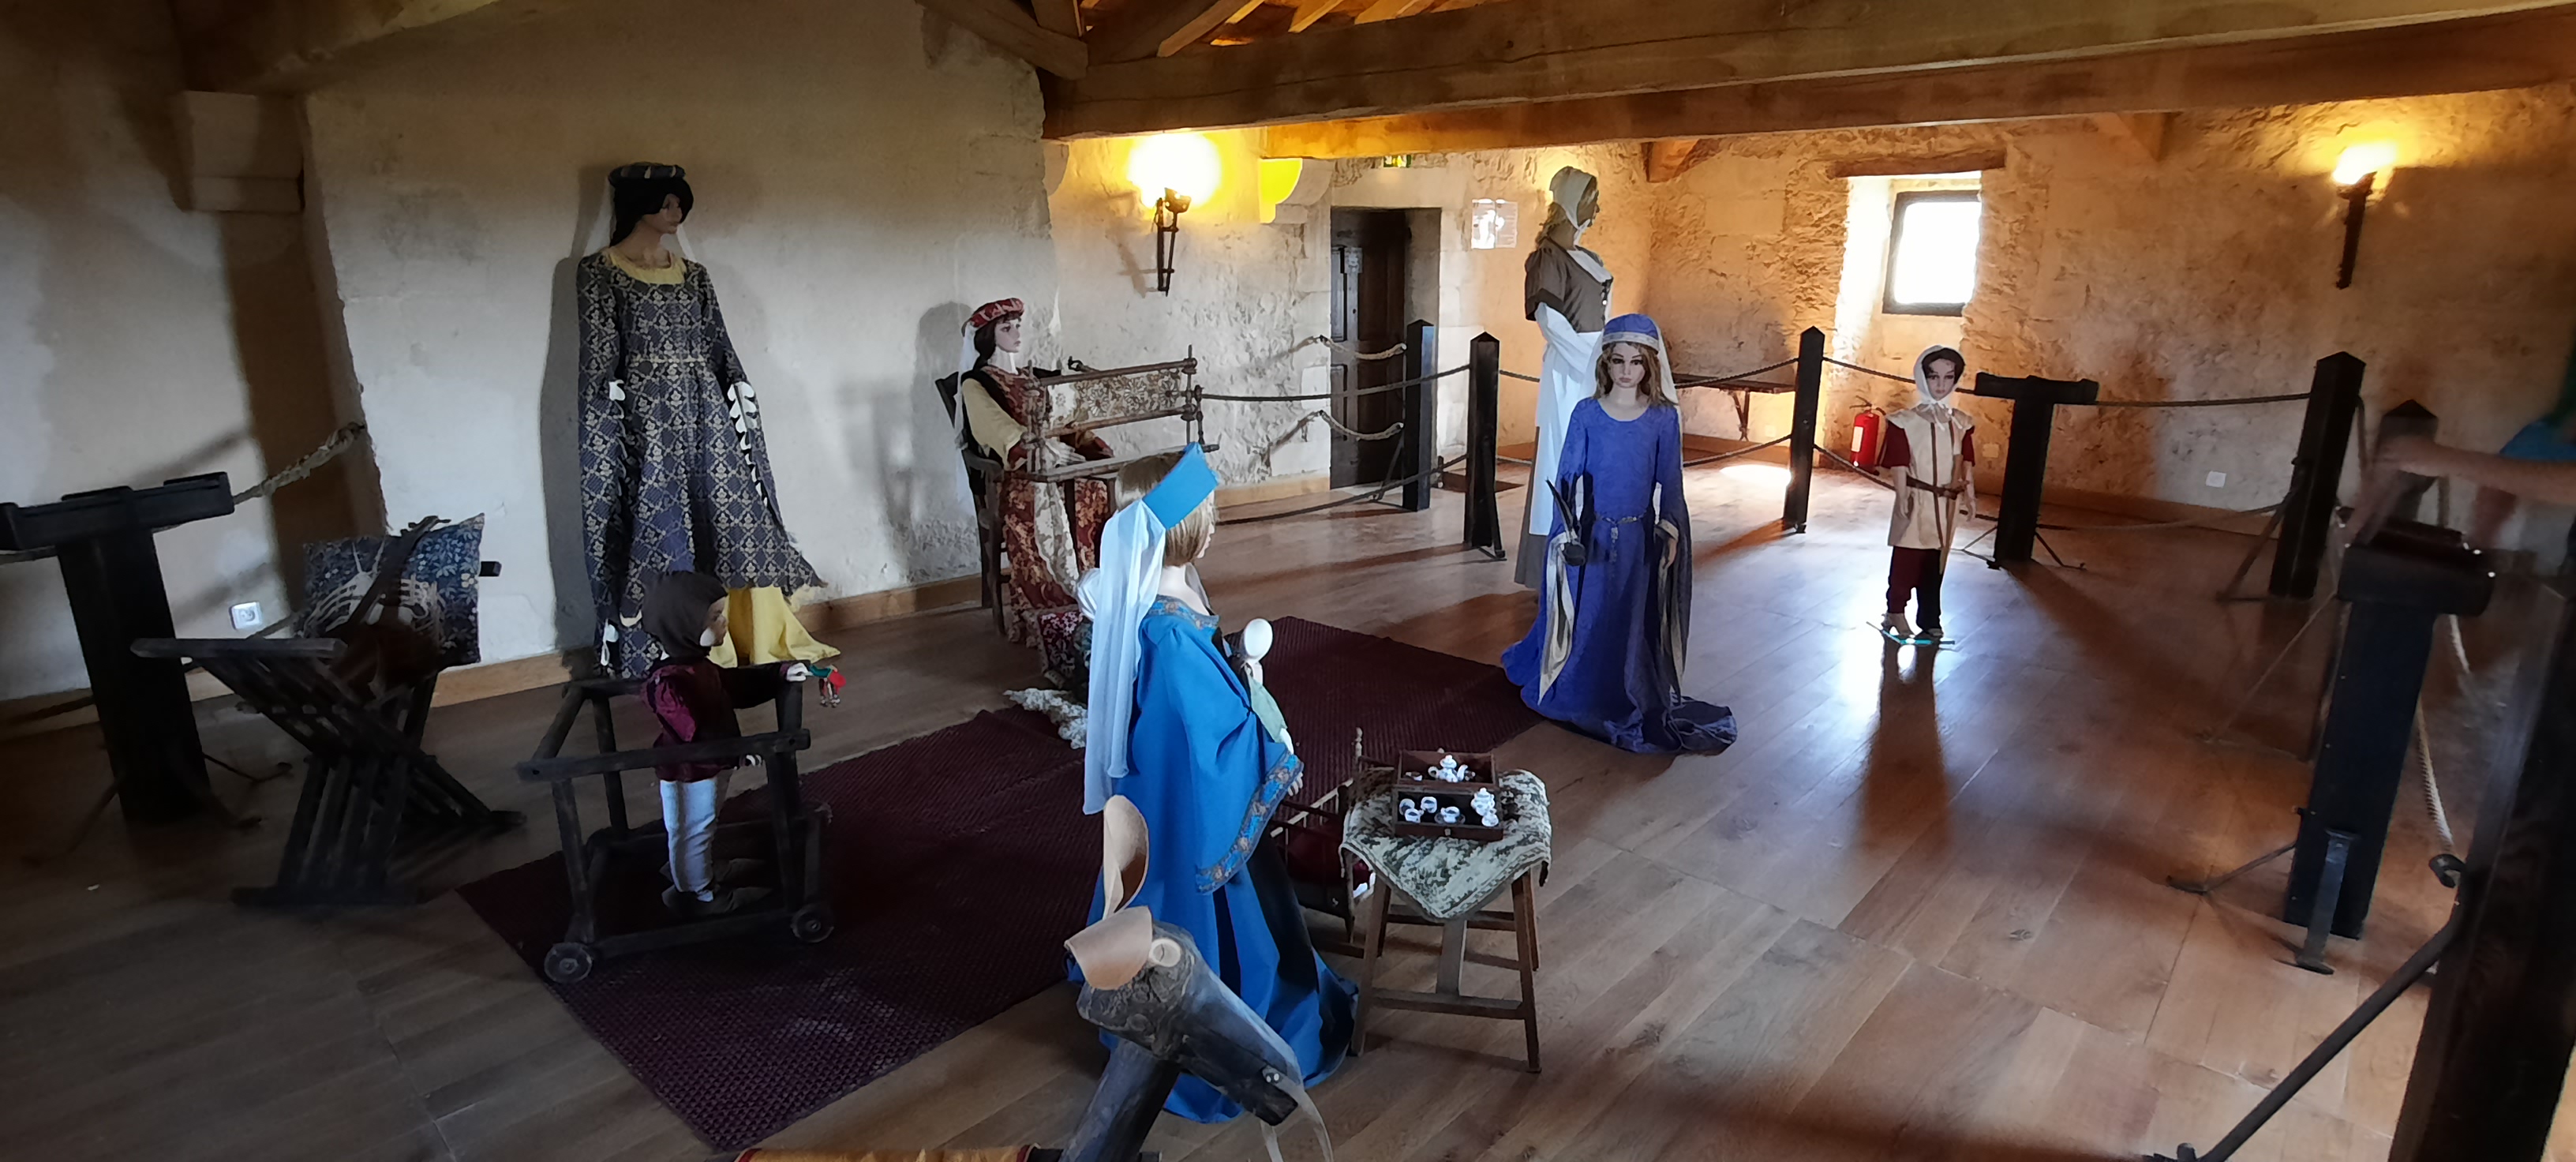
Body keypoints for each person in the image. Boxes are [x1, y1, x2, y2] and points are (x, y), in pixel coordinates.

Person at [1075, 445, 1353, 1123]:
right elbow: (1211, 741)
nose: (1217, 522)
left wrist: (1236, 678)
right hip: (1190, 795)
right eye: (1209, 513)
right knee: (1202, 909)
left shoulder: (1164, 590)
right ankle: (1214, 1019)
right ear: (1182, 531)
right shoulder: (1170, 638)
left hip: (1164, 778)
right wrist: (1263, 729)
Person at [578, 163, 837, 680]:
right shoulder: (599, 271)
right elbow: (598, 360)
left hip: (705, 414)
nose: (676, 213)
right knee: (659, 526)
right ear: (639, 205)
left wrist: (738, 397)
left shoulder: (694, 274)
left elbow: (718, 343)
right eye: (667, 203)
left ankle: (741, 637)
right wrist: (611, 429)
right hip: (645, 420)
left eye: (681, 204)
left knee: (729, 518)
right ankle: (665, 650)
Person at [1500, 314, 1737, 755]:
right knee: (1590, 613)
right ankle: (1577, 680)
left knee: (1629, 617)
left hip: (1637, 542)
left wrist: (1670, 532)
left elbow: (1671, 483)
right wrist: (1566, 534)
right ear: (1605, 363)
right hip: (1590, 539)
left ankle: (1627, 686)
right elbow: (1567, 477)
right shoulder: (1587, 414)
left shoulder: (1662, 418)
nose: (1627, 371)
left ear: (1650, 365)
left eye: (1636, 362)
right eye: (1618, 361)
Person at [954, 298, 1115, 687]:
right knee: (1047, 502)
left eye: (1018, 326)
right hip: (1019, 476)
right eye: (1006, 328)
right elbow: (996, 432)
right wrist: (1039, 450)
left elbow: (1068, 420)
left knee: (1095, 490)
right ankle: (1058, 599)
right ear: (988, 336)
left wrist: (1089, 445)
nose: (1016, 334)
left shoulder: (1035, 377)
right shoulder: (977, 384)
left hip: (1060, 467)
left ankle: (1100, 589)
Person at [638, 570, 815, 918]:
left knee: (702, 824)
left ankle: (697, 871)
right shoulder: (669, 683)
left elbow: (733, 687)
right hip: (691, 770)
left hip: (709, 765)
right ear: (683, 626)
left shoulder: (696, 666)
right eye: (716, 617)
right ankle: (698, 893)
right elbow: (693, 733)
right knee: (692, 828)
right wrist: (734, 750)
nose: (724, 623)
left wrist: (779, 674)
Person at [1518, 166, 1616, 587]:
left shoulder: (1590, 259)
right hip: (1571, 370)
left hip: (1598, 365)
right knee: (1563, 456)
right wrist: (1593, 363)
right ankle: (1555, 560)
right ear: (1572, 203)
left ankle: (1592, 555)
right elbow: (1551, 322)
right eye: (1591, 199)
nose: (1597, 209)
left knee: (1598, 457)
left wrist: (1612, 359)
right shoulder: (1547, 259)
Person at [1877, 347, 1978, 646]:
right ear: (1923, 377)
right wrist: (1902, 497)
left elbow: (1967, 463)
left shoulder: (1961, 422)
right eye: (1934, 377)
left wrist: (1970, 495)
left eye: (1949, 377)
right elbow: (1898, 463)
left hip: (1946, 504)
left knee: (1936, 562)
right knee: (1907, 556)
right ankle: (1895, 610)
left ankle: (1930, 618)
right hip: (1917, 498)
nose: (1941, 384)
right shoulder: (1904, 422)